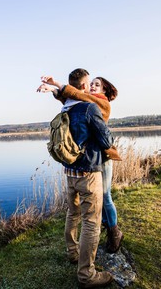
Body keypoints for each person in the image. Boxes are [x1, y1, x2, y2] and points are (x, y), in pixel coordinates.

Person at [39, 68, 114, 288]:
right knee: (91, 222)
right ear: (83, 86)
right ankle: (86, 275)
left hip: (69, 173)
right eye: (89, 83)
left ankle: (73, 253)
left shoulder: (67, 107)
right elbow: (106, 139)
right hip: (89, 173)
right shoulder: (90, 107)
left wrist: (53, 87)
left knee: (73, 214)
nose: (91, 87)